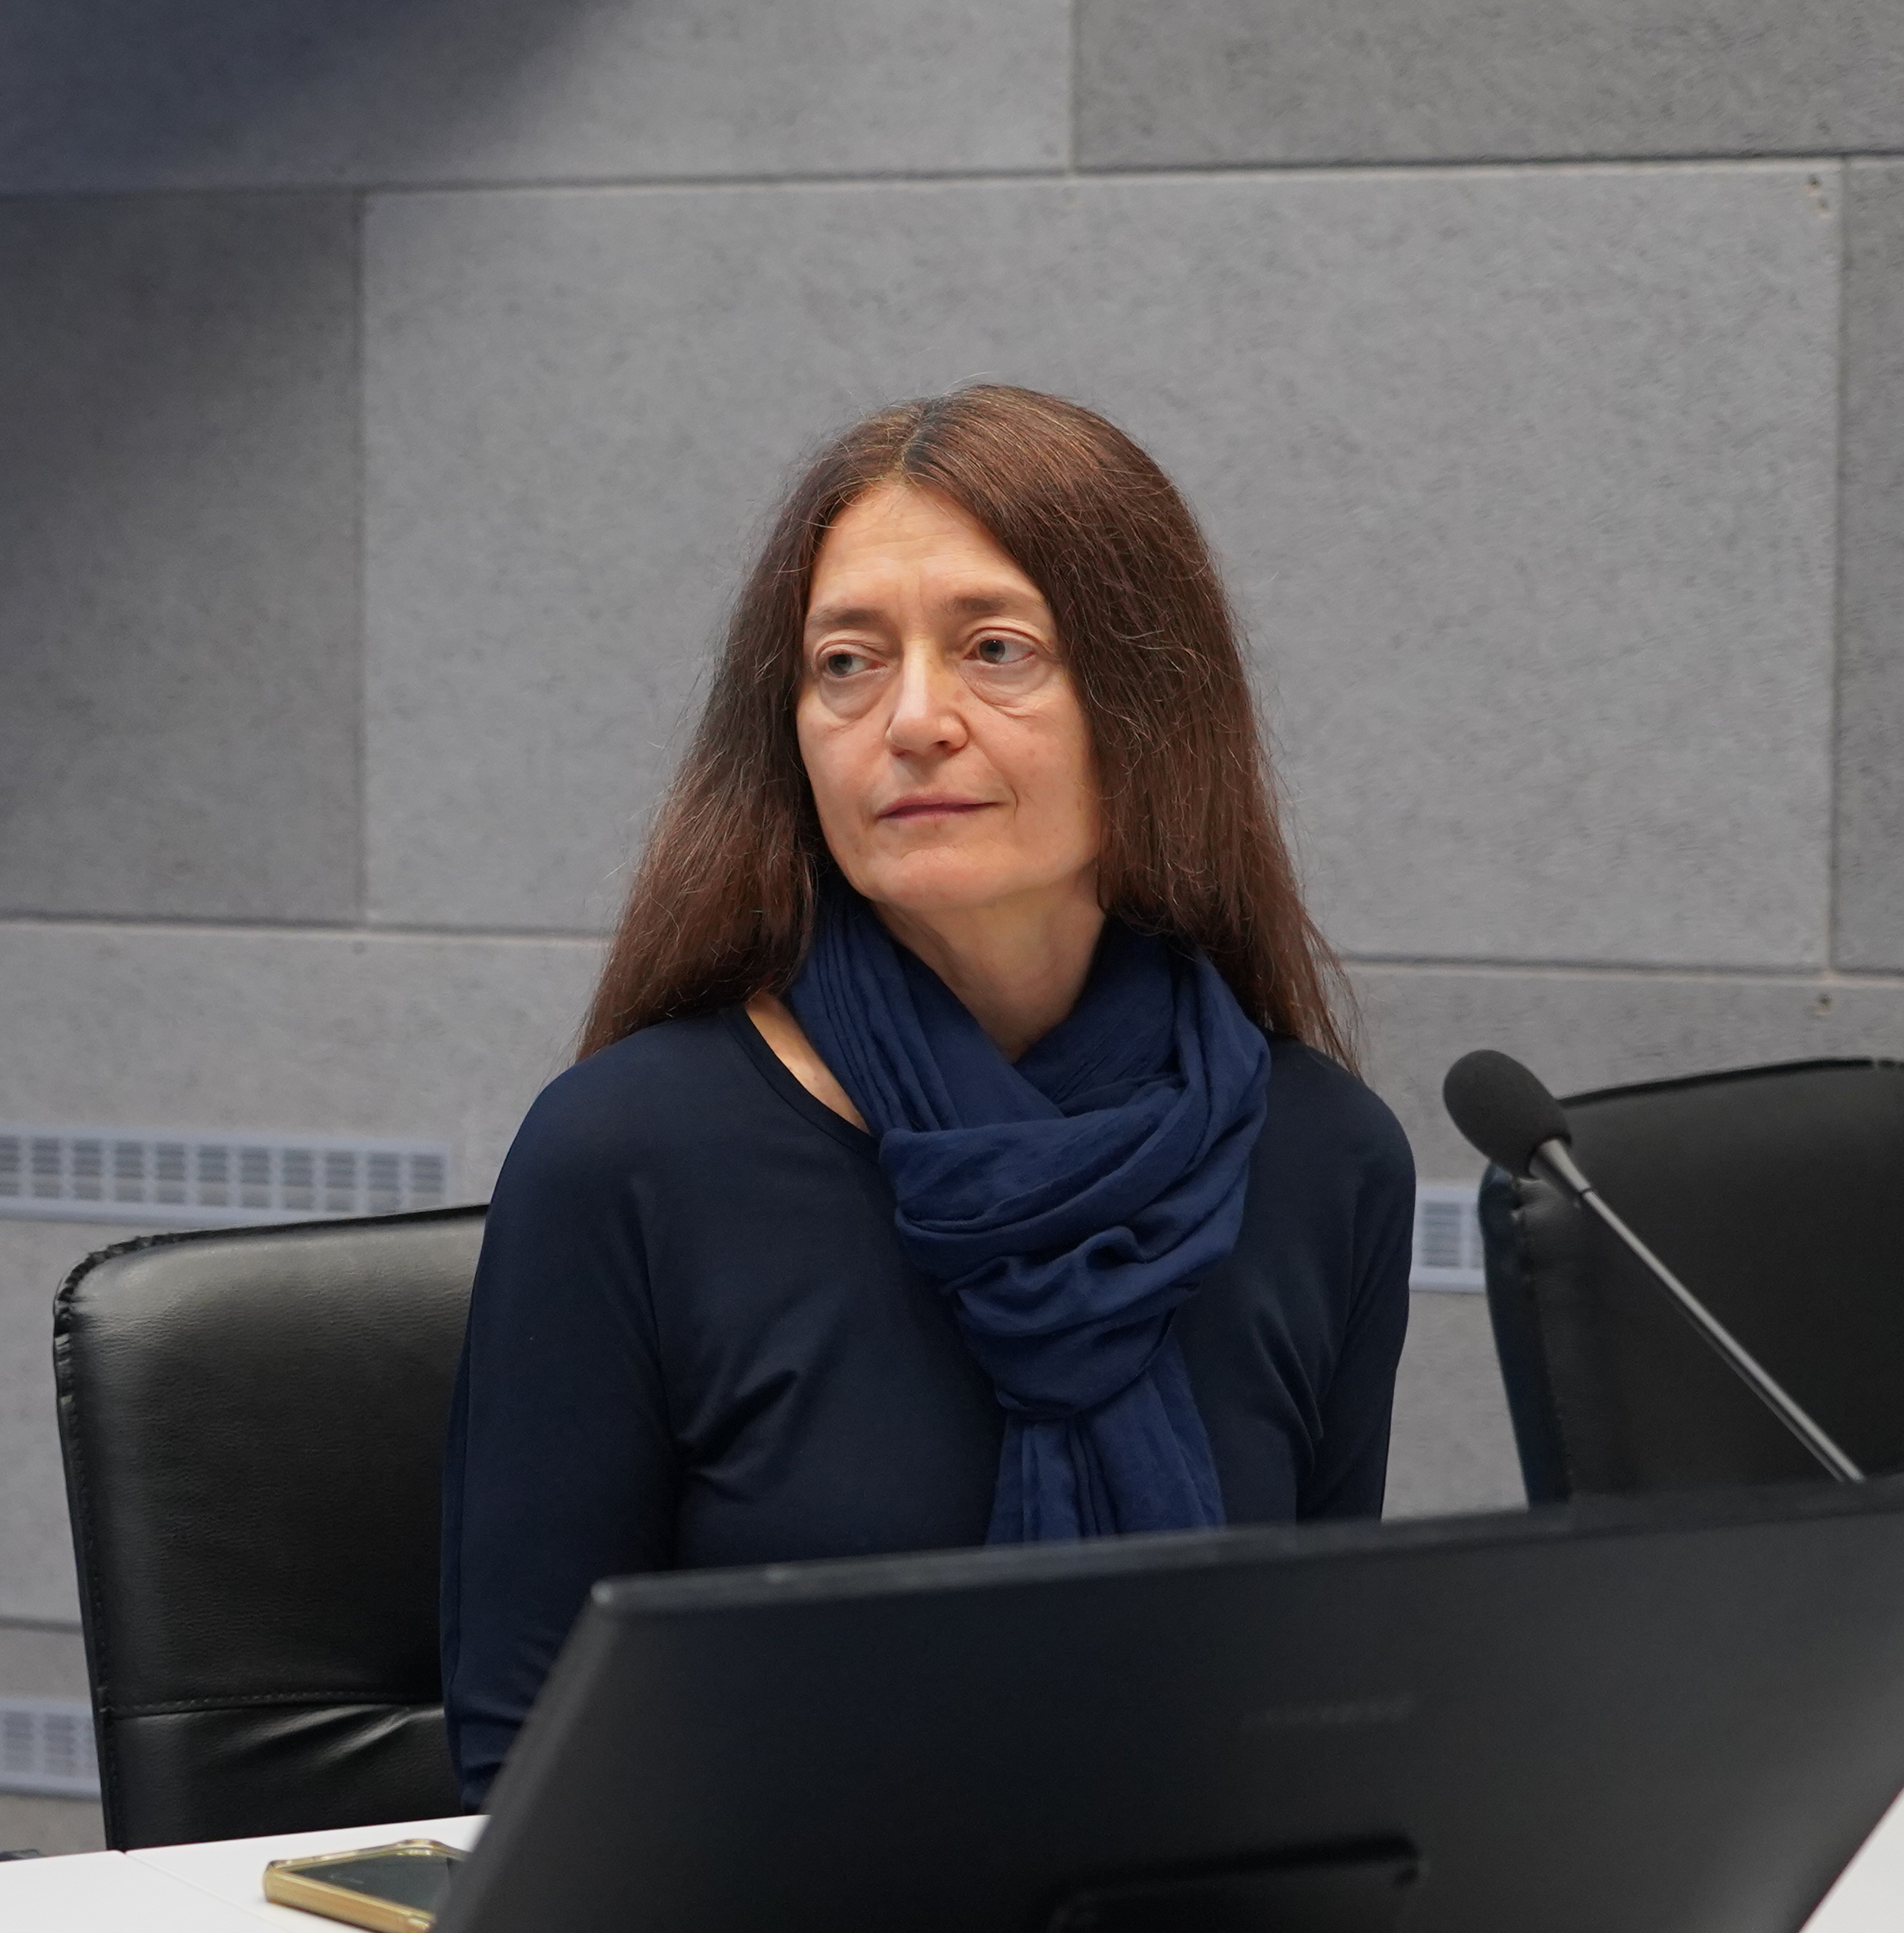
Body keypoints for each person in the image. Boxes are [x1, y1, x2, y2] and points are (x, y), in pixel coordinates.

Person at [443, 385, 1411, 1802]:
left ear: (1150, 707)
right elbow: (519, 1769)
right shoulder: (627, 1155)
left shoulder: (1324, 1158)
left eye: (995, 650)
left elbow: (1316, 1736)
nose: (911, 721)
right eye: (846, 663)